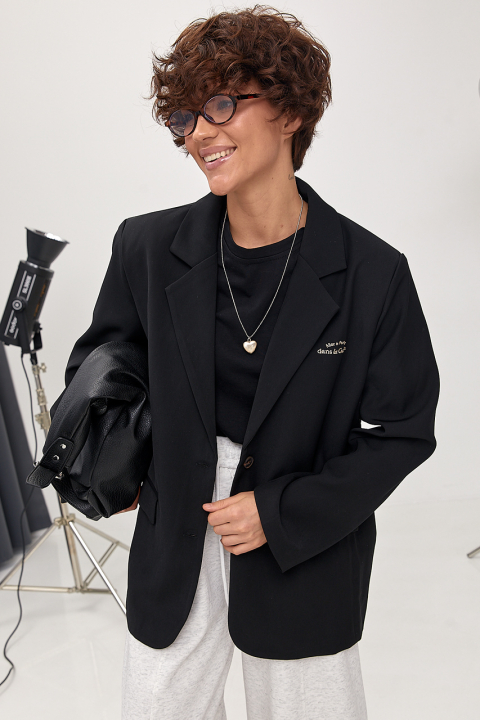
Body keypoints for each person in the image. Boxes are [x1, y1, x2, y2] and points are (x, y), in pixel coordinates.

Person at [58, 6, 439, 719]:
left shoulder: (372, 273)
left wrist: (281, 511)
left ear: (290, 112)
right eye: (184, 119)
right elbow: (101, 365)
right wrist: (122, 461)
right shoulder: (146, 248)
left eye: (221, 105)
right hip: (175, 527)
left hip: (302, 544)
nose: (199, 134)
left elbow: (404, 432)